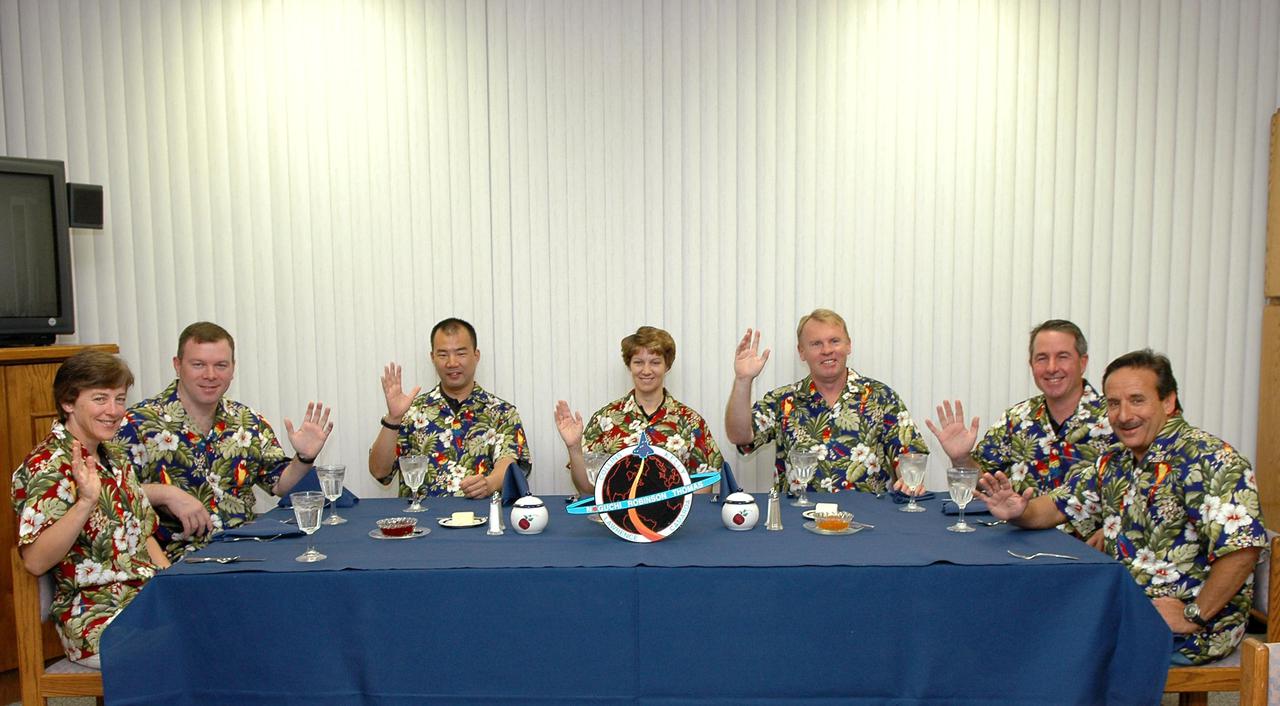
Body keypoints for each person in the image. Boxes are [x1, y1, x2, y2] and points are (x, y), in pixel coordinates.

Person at [977, 349, 1265, 665]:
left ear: (1168, 402)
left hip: (1194, 624)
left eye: (1137, 400)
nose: (1124, 415)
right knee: (1021, 619)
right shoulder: (1115, 462)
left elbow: (1242, 550)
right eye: (1114, 403)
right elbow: (1057, 507)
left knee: (1051, 649)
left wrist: (1194, 614)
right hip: (1125, 603)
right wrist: (1019, 510)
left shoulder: (1210, 460)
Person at [117, 322, 334, 558]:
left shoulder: (248, 421)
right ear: (177, 366)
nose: (210, 375)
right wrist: (166, 493)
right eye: (198, 364)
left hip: (248, 553)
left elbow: (281, 486)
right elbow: (111, 492)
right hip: (176, 560)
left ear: (233, 369)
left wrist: (304, 458)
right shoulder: (137, 424)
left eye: (220, 365)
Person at [12, 350, 169, 668]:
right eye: (100, 399)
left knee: (220, 624)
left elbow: (144, 534)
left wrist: (172, 582)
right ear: (68, 402)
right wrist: (85, 502)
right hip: (96, 619)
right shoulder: (47, 466)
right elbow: (35, 560)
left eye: (120, 399)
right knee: (196, 650)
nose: (113, 411)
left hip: (144, 601)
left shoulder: (115, 455)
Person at [725, 308, 928, 494]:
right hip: (796, 523)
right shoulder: (783, 401)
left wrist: (908, 480)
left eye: (834, 341)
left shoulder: (882, 398)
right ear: (801, 352)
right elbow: (740, 436)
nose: (827, 350)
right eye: (816, 344)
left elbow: (910, 456)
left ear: (848, 345)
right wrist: (743, 380)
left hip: (868, 524)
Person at [925, 320, 1116, 494]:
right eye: (1042, 358)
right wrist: (961, 458)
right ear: (1031, 365)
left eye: (1062, 357)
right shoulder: (1016, 419)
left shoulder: (1114, 419)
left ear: (1083, 363)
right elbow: (983, 484)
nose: (1051, 368)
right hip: (1019, 530)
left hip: (1085, 533)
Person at [368, 317, 531, 498]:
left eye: (460, 353)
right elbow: (379, 472)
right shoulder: (411, 411)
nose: (452, 363)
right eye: (443, 354)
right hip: (422, 522)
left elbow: (509, 463)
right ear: (432, 357)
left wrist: (488, 484)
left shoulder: (502, 412)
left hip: (482, 519)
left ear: (476, 356)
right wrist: (393, 419)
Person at [555, 326, 723, 494]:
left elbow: (703, 488)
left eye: (655, 362)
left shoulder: (691, 422)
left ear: (667, 366)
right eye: (638, 362)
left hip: (675, 518)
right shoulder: (605, 419)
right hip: (617, 518)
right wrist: (574, 448)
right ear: (629, 365)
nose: (646, 370)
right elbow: (586, 488)